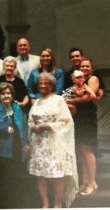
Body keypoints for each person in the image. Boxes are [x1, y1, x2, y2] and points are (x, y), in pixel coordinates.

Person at [28, 72, 78, 208]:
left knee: (57, 175)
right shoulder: (36, 102)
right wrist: (34, 127)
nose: (43, 85)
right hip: (39, 144)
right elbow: (30, 122)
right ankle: (45, 203)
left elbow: (67, 122)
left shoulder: (58, 100)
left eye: (46, 83)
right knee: (40, 175)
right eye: (40, 83)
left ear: (52, 85)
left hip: (55, 143)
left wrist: (48, 125)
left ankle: (57, 204)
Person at [0, 82, 28, 208]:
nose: (6, 96)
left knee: (15, 177)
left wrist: (26, 144)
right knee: (2, 178)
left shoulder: (16, 107)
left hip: (17, 147)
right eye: (3, 93)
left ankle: (14, 203)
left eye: (8, 93)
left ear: (12, 95)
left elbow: (24, 126)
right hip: (1, 150)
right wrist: (4, 128)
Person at [67, 58, 100, 196]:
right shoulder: (76, 80)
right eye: (82, 66)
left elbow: (87, 98)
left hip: (87, 117)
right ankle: (85, 181)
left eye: (87, 66)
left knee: (87, 148)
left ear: (91, 68)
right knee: (80, 150)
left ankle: (92, 182)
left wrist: (69, 100)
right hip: (77, 117)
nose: (85, 68)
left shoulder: (92, 79)